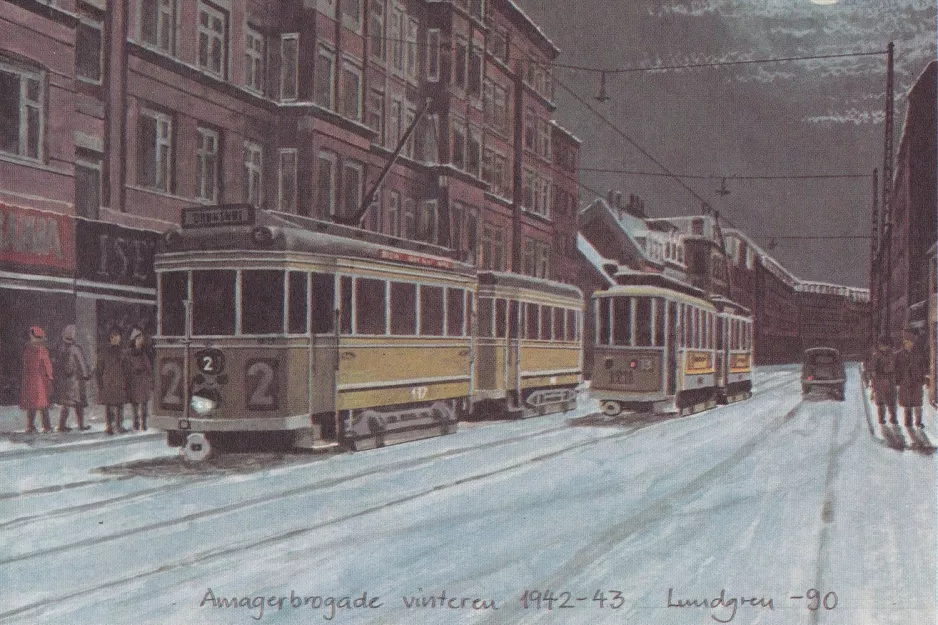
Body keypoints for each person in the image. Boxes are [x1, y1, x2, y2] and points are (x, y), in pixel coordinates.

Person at [54, 325, 91, 431]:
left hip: (65, 382)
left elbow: (57, 365)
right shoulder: (76, 349)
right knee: (78, 405)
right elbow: (82, 364)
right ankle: (80, 425)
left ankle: (61, 425)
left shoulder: (60, 349)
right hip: (76, 382)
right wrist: (86, 375)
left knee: (66, 405)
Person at [20, 326, 54, 433]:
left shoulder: (28, 350)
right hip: (40, 381)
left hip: (32, 380)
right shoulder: (42, 350)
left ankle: (31, 426)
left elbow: (26, 366)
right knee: (42, 404)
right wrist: (50, 377)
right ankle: (46, 426)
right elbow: (47, 365)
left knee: (33, 404)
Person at [96, 326, 129, 435]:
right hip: (109, 381)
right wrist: (100, 382)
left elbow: (125, 367)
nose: (117, 338)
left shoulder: (122, 352)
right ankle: (109, 425)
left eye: (118, 336)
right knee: (109, 405)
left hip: (118, 381)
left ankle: (118, 424)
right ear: (111, 338)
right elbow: (99, 368)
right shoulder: (105, 353)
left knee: (119, 405)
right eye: (115, 336)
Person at [896, 326, 926, 429]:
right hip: (905, 382)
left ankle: (918, 423)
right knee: (907, 404)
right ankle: (908, 423)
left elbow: (922, 366)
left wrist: (922, 377)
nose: (909, 344)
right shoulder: (899, 355)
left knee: (917, 403)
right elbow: (897, 368)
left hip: (916, 381)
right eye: (907, 342)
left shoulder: (918, 354)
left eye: (911, 342)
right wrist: (898, 380)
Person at [126, 327, 152, 431]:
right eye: (139, 338)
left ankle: (143, 424)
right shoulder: (129, 353)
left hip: (143, 380)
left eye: (142, 338)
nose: (141, 340)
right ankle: (135, 424)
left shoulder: (144, 352)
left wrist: (149, 377)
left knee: (144, 403)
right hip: (134, 381)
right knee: (135, 404)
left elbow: (148, 366)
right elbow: (127, 366)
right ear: (134, 340)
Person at [871, 334, 898, 426]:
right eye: (882, 345)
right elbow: (873, 370)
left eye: (885, 345)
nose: (884, 347)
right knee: (881, 402)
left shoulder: (892, 354)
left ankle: (893, 418)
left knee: (892, 401)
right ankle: (881, 419)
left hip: (890, 380)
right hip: (880, 380)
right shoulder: (876, 355)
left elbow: (895, 366)